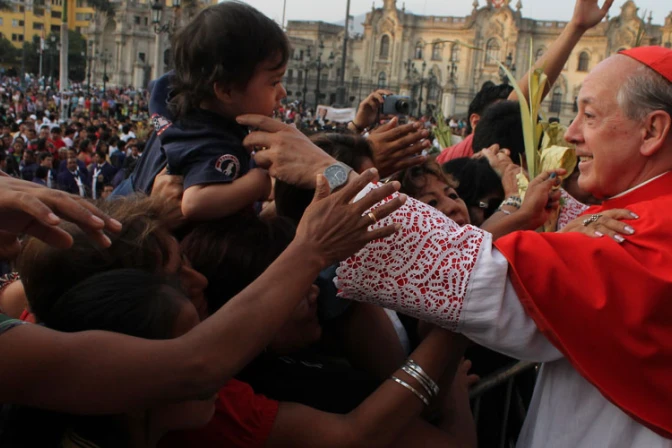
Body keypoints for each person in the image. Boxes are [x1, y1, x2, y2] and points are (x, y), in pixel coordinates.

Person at [333, 46, 672, 446]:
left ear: (651, 131)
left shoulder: (647, 230)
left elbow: (475, 276)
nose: (570, 132)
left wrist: (329, 171)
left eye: (590, 115)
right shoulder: (637, 211)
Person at [0, 169, 404, 415]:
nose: (202, 283)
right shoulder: (202, 401)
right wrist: (312, 249)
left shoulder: (32, 303)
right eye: (178, 276)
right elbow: (196, 366)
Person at [127, 2, 286, 221]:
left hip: (129, 196)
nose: (282, 92)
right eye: (274, 82)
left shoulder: (170, 97)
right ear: (225, 90)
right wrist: (258, 182)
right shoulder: (214, 141)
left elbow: (160, 83)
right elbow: (194, 202)